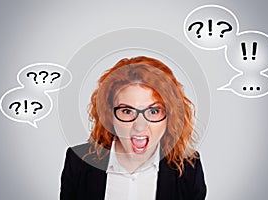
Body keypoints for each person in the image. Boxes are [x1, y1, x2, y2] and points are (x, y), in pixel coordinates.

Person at [60, 56, 207, 200]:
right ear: (109, 114)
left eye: (154, 111)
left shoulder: (189, 169)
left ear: (171, 116)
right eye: (127, 111)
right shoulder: (78, 162)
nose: (140, 126)